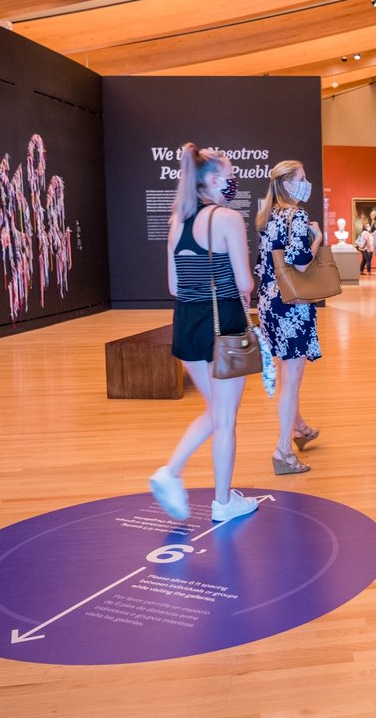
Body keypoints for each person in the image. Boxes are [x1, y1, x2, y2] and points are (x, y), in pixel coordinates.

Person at [148, 144, 258, 523]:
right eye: (229, 175)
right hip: (223, 322)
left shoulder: (177, 220)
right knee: (226, 418)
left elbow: (175, 285)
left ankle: (170, 472)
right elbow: (244, 281)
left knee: (215, 412)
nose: (232, 181)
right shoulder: (227, 218)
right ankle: (223, 502)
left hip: (188, 322)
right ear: (212, 179)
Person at [255, 160, 322, 475]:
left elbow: (263, 264)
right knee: (291, 381)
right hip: (292, 306)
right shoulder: (297, 216)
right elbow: (302, 263)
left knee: (284, 374)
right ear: (289, 183)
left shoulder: (267, 217)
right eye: (303, 178)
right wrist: (317, 238)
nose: (306, 183)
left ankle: (299, 428)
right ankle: (283, 451)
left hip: (269, 304)